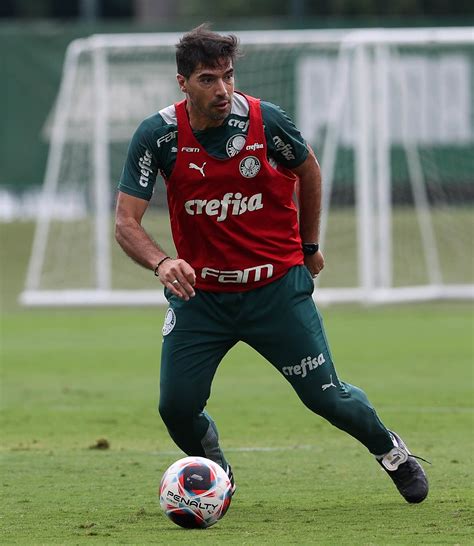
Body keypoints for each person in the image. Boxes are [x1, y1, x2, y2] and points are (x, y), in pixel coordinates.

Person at [115, 24, 429, 504]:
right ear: (183, 83)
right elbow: (125, 223)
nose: (222, 90)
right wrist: (161, 263)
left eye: (228, 76)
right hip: (202, 299)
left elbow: (308, 169)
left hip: (276, 289)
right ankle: (218, 475)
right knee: (176, 407)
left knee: (326, 397)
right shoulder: (158, 135)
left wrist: (309, 246)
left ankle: (392, 452)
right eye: (207, 79)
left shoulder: (266, 121)